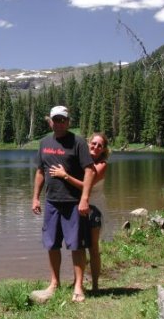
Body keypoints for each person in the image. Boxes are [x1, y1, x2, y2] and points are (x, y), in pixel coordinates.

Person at [31, 105, 96, 303]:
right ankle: (54, 282)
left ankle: (78, 285)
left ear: (68, 121)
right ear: (50, 121)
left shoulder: (78, 142)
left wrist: (84, 198)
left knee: (76, 245)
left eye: (62, 120)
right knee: (51, 244)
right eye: (55, 120)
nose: (58, 123)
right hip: (51, 202)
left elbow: (90, 171)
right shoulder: (44, 143)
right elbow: (40, 171)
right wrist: (35, 197)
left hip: (73, 203)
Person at [49, 132, 110, 292]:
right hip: (79, 207)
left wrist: (65, 176)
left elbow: (86, 186)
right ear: (88, 143)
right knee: (79, 246)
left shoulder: (101, 165)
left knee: (93, 248)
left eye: (100, 145)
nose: (96, 147)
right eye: (93, 143)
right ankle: (79, 282)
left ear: (103, 150)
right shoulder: (81, 160)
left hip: (94, 210)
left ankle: (96, 285)